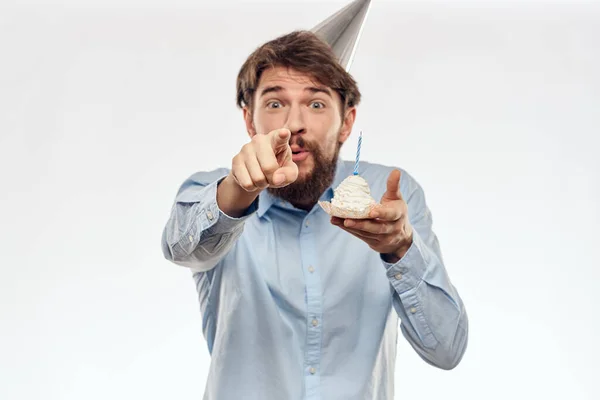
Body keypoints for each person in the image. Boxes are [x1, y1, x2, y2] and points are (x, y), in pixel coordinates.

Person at [161, 30, 468, 400]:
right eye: (275, 104)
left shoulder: (390, 199)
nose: (294, 124)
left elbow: (447, 349)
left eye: (317, 104)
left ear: (347, 121)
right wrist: (239, 191)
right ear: (249, 120)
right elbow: (181, 247)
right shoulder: (213, 192)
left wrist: (400, 249)